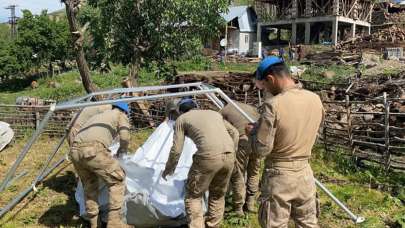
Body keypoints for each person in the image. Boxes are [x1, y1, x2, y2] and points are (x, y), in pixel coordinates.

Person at [246, 56, 324, 228]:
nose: (265, 90)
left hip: (279, 176)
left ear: (271, 79)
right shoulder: (315, 99)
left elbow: (262, 149)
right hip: (305, 173)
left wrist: (253, 134)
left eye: (265, 85)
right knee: (308, 224)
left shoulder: (273, 105)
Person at [162, 98, 239, 228]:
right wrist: (232, 150)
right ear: (196, 106)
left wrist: (169, 169)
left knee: (194, 196)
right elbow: (235, 132)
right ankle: (213, 224)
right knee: (218, 194)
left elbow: (176, 149)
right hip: (229, 156)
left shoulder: (182, 119)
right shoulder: (214, 113)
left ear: (181, 111)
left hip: (207, 157)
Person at [70, 102, 131, 228]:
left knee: (90, 187)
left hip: (75, 152)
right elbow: (125, 137)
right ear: (124, 111)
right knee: (117, 180)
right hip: (92, 150)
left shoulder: (99, 116)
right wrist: (122, 150)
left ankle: (94, 223)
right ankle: (114, 223)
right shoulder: (120, 115)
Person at [220, 101, 260, 216]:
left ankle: (238, 207)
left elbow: (222, 130)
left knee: (239, 173)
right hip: (258, 140)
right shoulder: (250, 107)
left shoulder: (225, 109)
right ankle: (250, 203)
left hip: (243, 140)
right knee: (254, 171)